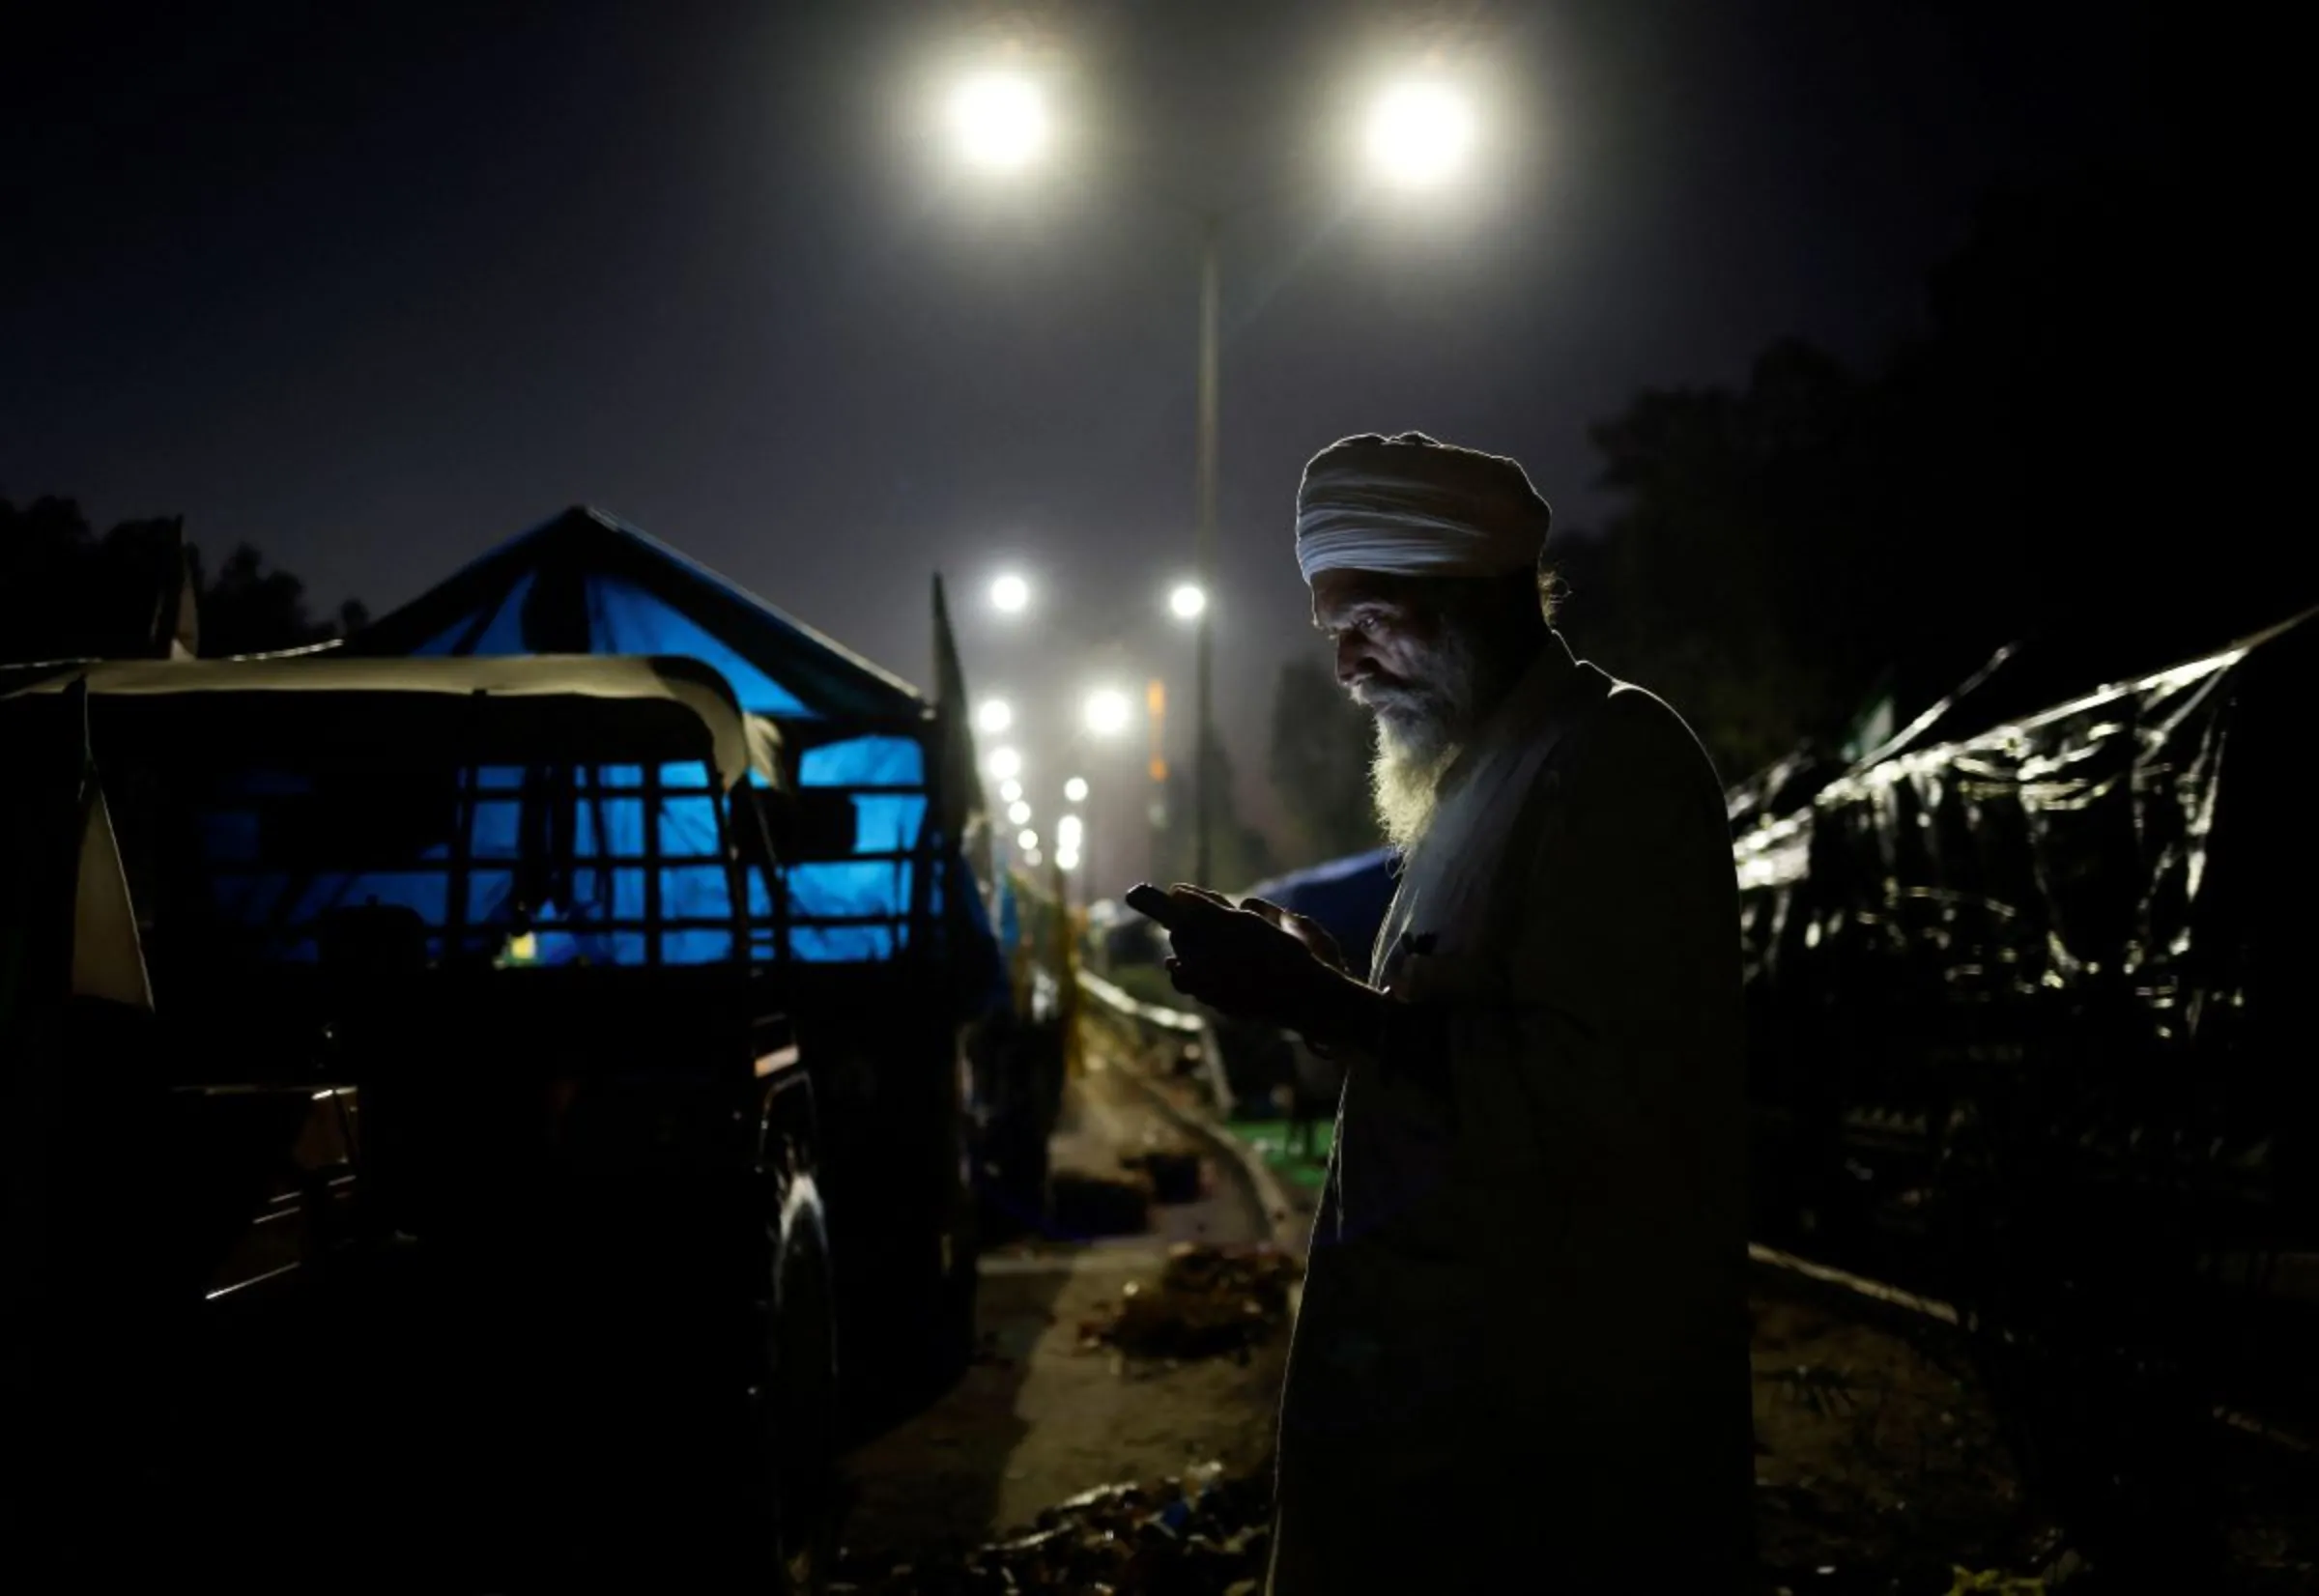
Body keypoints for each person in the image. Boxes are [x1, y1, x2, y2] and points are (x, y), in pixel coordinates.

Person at [1150, 432, 1752, 1591]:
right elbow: (1449, 1052)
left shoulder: (1612, 763)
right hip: (1437, 1415)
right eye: (1332, 633)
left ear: (1473, 590)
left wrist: (1342, 1012)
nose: (1347, 669)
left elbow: (1609, 1106)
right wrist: (1327, 996)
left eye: (1368, 620)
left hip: (1552, 1453)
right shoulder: (1477, 785)